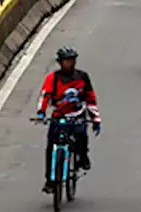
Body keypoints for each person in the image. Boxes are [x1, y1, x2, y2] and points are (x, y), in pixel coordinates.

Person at [34, 48, 101, 193]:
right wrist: (41, 113)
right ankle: (50, 180)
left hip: (77, 114)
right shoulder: (53, 78)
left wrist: (95, 118)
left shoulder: (82, 77)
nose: (70, 63)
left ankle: (82, 157)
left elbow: (90, 98)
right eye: (67, 61)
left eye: (72, 60)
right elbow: (45, 95)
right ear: (60, 62)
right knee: (51, 146)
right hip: (59, 115)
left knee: (81, 135)